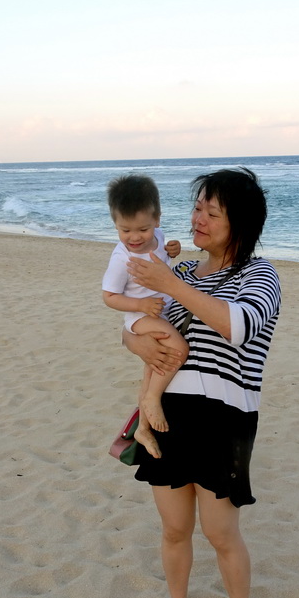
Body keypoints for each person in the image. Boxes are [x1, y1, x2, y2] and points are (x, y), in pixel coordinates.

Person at [123, 167, 281, 598]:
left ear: (242, 224)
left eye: (212, 213)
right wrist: (135, 341)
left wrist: (171, 282)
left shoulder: (260, 275)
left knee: (219, 530)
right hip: (168, 413)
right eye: (196, 208)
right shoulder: (185, 273)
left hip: (224, 417)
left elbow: (236, 325)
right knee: (173, 528)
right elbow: (138, 329)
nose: (199, 220)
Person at [101, 175, 185, 458]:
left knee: (152, 368)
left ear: (157, 221)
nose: (134, 238)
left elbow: (162, 256)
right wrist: (141, 305)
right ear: (115, 224)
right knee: (178, 349)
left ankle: (143, 427)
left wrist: (173, 249)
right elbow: (109, 297)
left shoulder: (158, 237)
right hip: (139, 317)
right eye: (125, 230)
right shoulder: (122, 259)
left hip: (161, 311)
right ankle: (151, 400)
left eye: (143, 229)